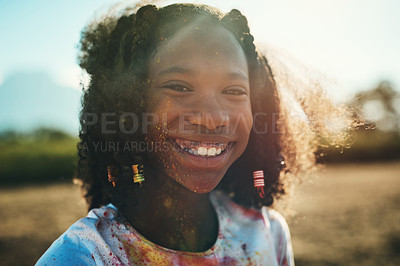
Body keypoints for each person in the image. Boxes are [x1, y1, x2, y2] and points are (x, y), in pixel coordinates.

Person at [37, 2, 348, 265]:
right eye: (179, 87)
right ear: (128, 106)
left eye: (234, 90)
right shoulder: (84, 255)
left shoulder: (268, 234)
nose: (213, 118)